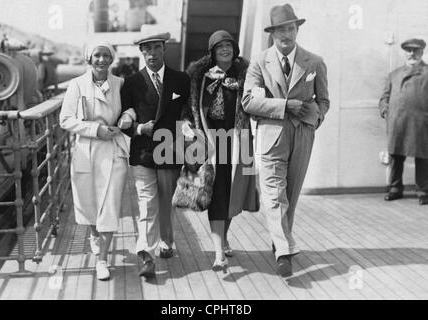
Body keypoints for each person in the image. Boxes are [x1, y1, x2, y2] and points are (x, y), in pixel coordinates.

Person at [242, 4, 329, 277]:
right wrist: (284, 105)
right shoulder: (259, 61)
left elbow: (324, 100)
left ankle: (279, 241)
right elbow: (249, 101)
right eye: (280, 29)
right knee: (273, 194)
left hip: (302, 135)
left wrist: (314, 120)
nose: (286, 34)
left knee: (290, 194)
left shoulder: (314, 62)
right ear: (272, 33)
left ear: (297, 29)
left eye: (290, 28)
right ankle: (284, 251)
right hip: (271, 135)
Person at [185, 30, 259, 271]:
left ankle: (224, 238)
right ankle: (219, 253)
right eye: (219, 47)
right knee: (215, 194)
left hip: (240, 140)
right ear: (212, 52)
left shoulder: (246, 75)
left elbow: (257, 102)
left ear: (235, 49)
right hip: (210, 142)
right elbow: (188, 107)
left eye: (228, 45)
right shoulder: (200, 76)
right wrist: (188, 125)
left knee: (232, 194)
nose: (225, 50)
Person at [119, 33, 191, 278]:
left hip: (171, 149)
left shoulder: (181, 79)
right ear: (141, 52)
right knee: (146, 203)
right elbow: (123, 120)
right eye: (147, 49)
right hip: (144, 152)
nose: (152, 54)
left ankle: (167, 241)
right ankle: (145, 255)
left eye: (156, 48)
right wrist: (139, 128)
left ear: (164, 49)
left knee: (166, 201)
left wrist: (191, 141)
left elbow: (187, 114)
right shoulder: (131, 83)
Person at [59, 41, 130, 280]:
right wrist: (94, 129)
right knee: (89, 204)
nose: (101, 60)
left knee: (109, 204)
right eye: (97, 55)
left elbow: (133, 108)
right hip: (87, 149)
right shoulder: (76, 85)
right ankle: (94, 236)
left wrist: (128, 116)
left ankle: (102, 259)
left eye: (106, 55)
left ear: (112, 59)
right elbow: (66, 120)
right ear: (89, 58)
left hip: (113, 148)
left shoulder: (120, 83)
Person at [379, 38, 428, 205]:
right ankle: (395, 188)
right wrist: (386, 110)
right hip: (397, 122)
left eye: (415, 50)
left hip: (420, 122)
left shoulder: (427, 72)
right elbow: (384, 97)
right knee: (396, 155)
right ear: (405, 52)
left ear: (422, 52)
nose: (412, 54)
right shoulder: (394, 74)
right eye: (409, 50)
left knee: (422, 156)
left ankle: (423, 190)